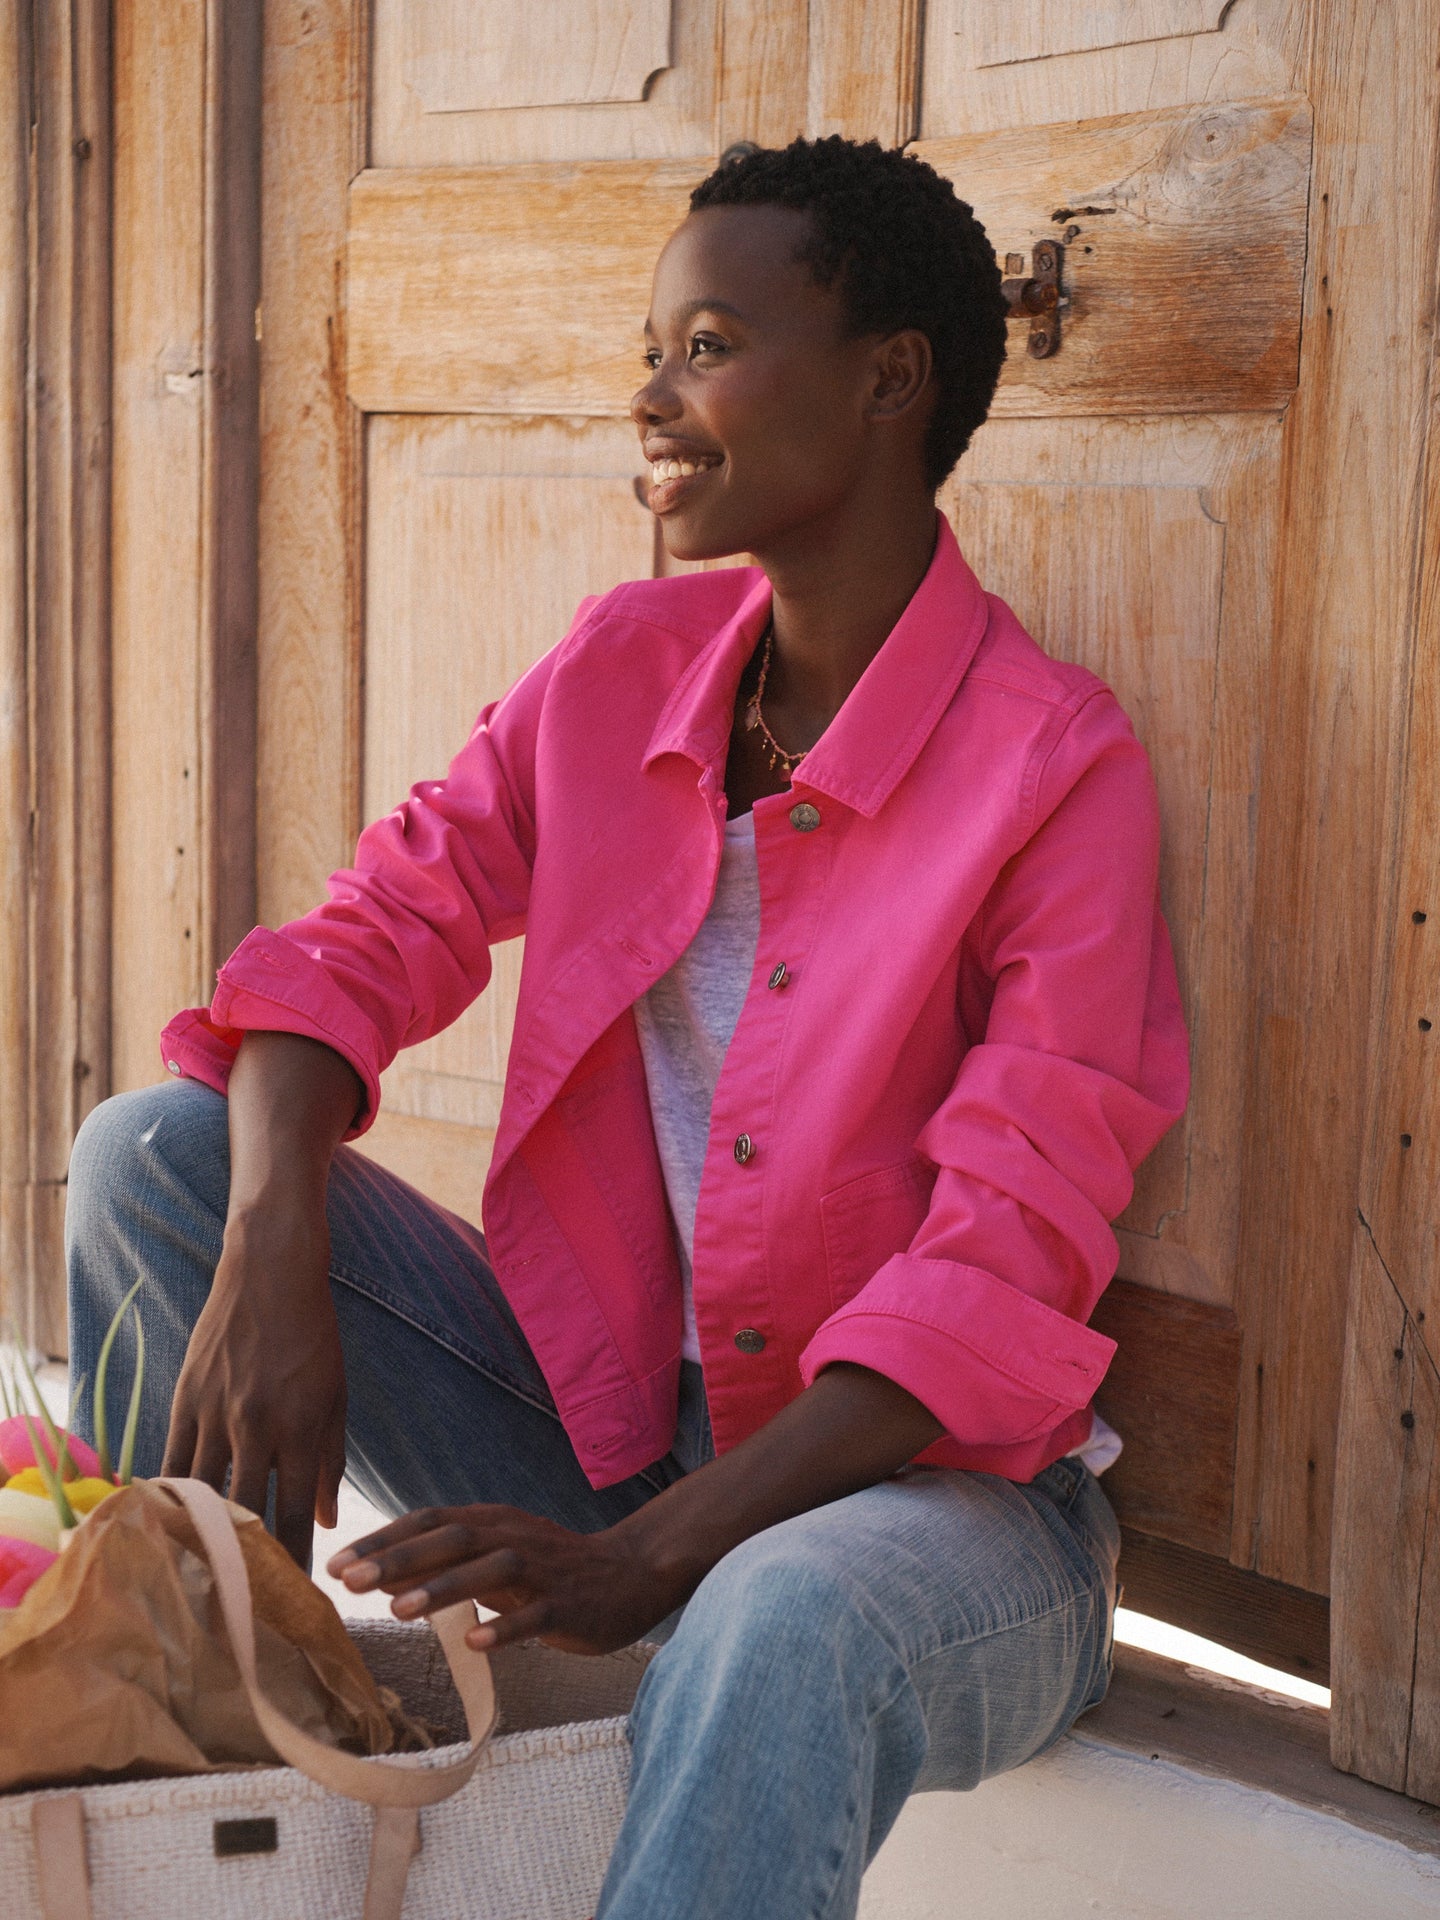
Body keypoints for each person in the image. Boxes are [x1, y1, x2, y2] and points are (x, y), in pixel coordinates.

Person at [67, 137, 1188, 1918]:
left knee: (779, 1606)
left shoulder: (1056, 770)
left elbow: (1003, 1265)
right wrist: (276, 1240)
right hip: (610, 1435)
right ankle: (176, 1777)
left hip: (936, 1516)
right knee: (157, 1159)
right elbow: (368, 932)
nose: (648, 399)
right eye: (654, 347)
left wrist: (652, 1558)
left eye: (709, 346)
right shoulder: (622, 669)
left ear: (889, 380)